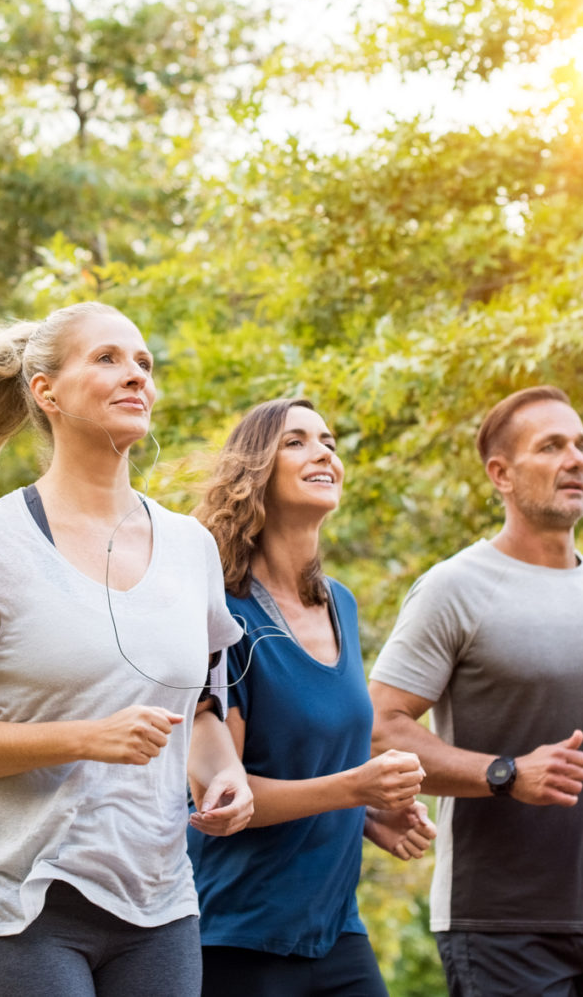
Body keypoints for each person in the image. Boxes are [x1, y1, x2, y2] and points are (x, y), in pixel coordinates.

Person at [0, 302, 254, 997]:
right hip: (23, 898)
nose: (135, 376)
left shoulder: (191, 547)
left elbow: (204, 712)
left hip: (159, 899)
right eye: (107, 359)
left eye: (143, 364)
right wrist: (86, 737)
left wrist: (227, 778)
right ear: (47, 391)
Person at [368, 386, 583, 997]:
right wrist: (506, 773)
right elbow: (380, 728)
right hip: (497, 922)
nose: (575, 459)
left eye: (581, 445)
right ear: (502, 474)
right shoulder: (453, 588)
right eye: (551, 447)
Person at [186, 397, 435, 997]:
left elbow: (319, 759)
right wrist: (357, 789)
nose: (324, 451)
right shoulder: (223, 612)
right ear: (254, 474)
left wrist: (368, 814)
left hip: (335, 929)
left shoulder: (341, 604)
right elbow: (221, 799)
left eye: (327, 440)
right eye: (295, 441)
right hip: (237, 936)